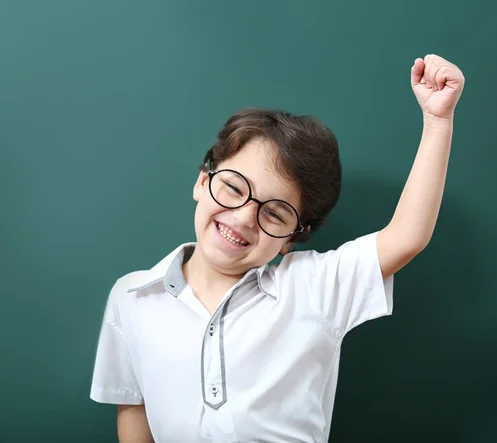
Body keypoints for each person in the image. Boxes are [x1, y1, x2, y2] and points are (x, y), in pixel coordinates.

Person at [90, 54, 465, 442]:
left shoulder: (313, 287)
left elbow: (407, 236)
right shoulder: (132, 297)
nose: (243, 218)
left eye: (275, 213)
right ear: (203, 181)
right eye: (234, 187)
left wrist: (438, 121)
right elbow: (133, 407)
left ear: (291, 239)